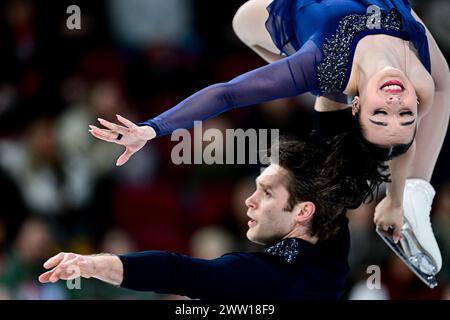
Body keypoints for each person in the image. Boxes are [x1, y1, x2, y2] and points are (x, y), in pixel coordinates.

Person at [88, 0, 449, 277]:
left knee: (242, 21)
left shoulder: (321, 62)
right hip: (383, 15)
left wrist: (152, 128)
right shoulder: (420, 83)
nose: (393, 102)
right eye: (403, 112)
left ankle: (321, 98)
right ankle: (418, 195)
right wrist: (397, 199)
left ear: (357, 106)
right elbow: (405, 143)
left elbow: (228, 94)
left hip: (303, 21)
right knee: (445, 78)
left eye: (380, 113)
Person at [38, 139, 376, 300]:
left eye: (267, 193)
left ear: (303, 211)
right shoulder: (332, 242)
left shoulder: (269, 275)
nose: (250, 200)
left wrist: (92, 265)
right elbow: (334, 158)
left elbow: (178, 272)